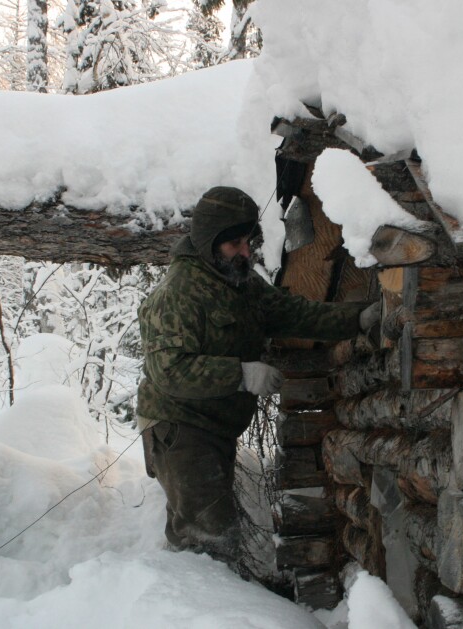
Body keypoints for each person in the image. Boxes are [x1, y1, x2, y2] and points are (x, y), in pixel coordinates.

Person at [137, 186, 380, 570]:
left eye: (247, 241)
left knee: (207, 538)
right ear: (209, 242)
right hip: (179, 428)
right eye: (234, 243)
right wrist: (241, 374)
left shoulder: (239, 283)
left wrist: (358, 319)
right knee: (207, 541)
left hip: (212, 427)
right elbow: (169, 371)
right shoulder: (179, 292)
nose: (245, 252)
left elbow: (293, 313)